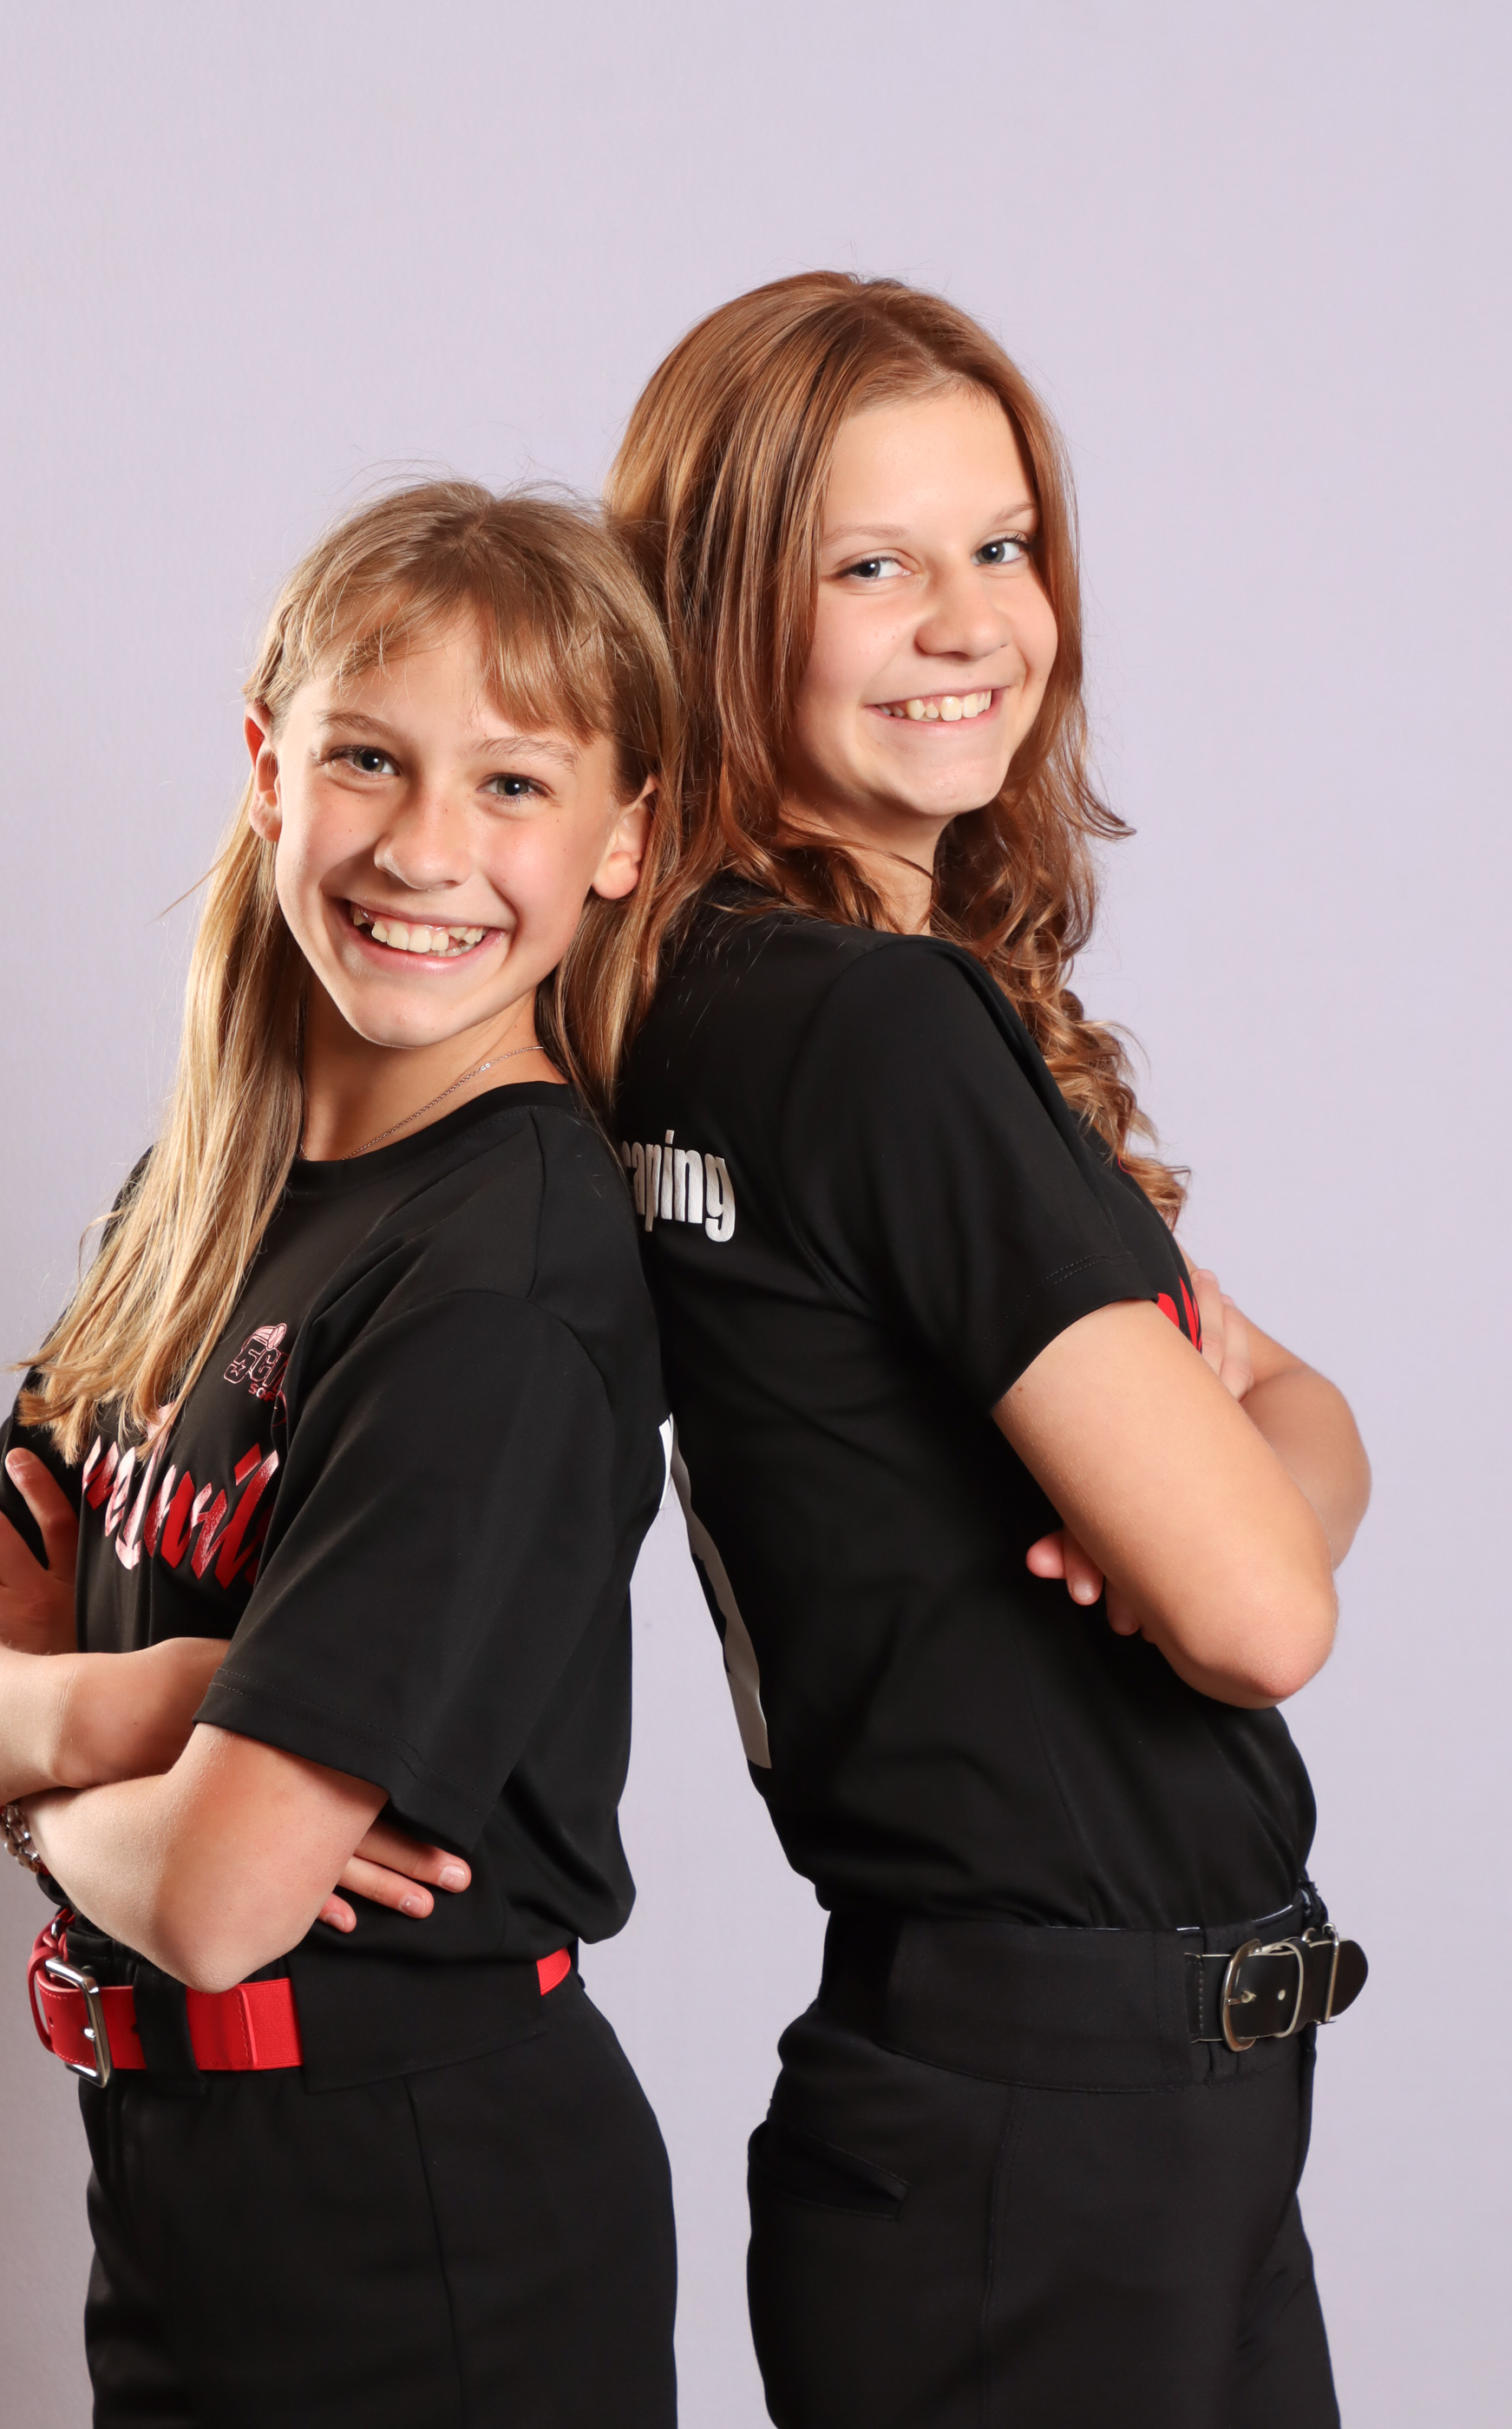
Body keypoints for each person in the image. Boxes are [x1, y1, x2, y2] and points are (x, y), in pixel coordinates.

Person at [605, 272, 1371, 2429]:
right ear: (718, 608)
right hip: (1055, 2132)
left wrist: (1231, 1489)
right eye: (870, 565)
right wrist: (1225, 1505)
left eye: (1002, 544)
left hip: (1054, 2125)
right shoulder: (877, 1027)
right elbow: (1264, 1600)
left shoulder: (715, 994)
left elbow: (1284, 1417)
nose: (968, 622)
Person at [0, 482, 680, 2429]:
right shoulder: (206, 1191)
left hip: (424, 2233)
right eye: (369, 758)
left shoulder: (502, 1277)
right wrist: (149, 1704)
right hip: (189, 2208)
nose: (423, 847)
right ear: (266, 769)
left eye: (513, 784)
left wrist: (33, 1780)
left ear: (623, 838)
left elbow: (221, 1898)